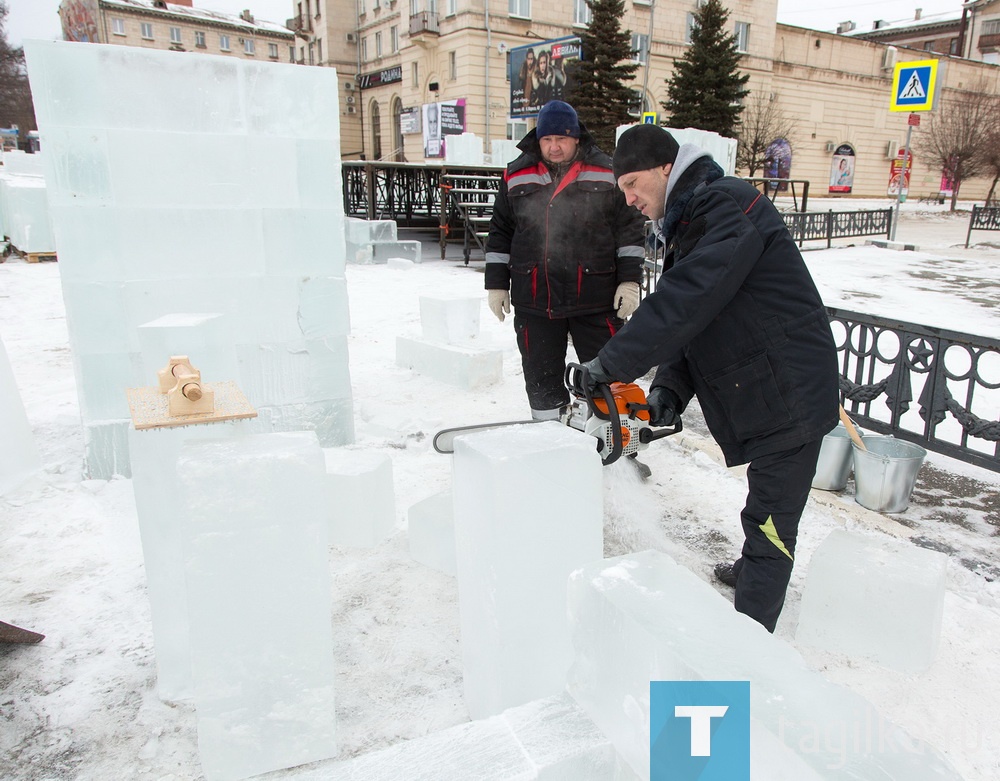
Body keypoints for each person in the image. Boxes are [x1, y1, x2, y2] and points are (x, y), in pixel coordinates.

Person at [582, 124, 839, 633]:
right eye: (622, 190)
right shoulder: (694, 220)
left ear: (664, 169)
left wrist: (607, 366)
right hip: (767, 384)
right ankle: (753, 566)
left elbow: (686, 300)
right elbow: (699, 318)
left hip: (790, 392)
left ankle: (748, 643)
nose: (629, 199)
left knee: (770, 524)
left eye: (632, 184)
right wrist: (668, 391)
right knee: (765, 508)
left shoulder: (726, 205)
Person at [484, 101, 647, 427]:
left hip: (595, 297)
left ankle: (619, 445)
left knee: (610, 373)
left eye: (561, 138)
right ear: (538, 139)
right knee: (541, 376)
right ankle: (551, 438)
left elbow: (629, 229)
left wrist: (629, 281)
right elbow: (501, 230)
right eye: (547, 139)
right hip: (534, 298)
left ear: (576, 138)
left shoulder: (606, 171)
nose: (554, 147)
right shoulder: (516, 174)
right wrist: (497, 283)